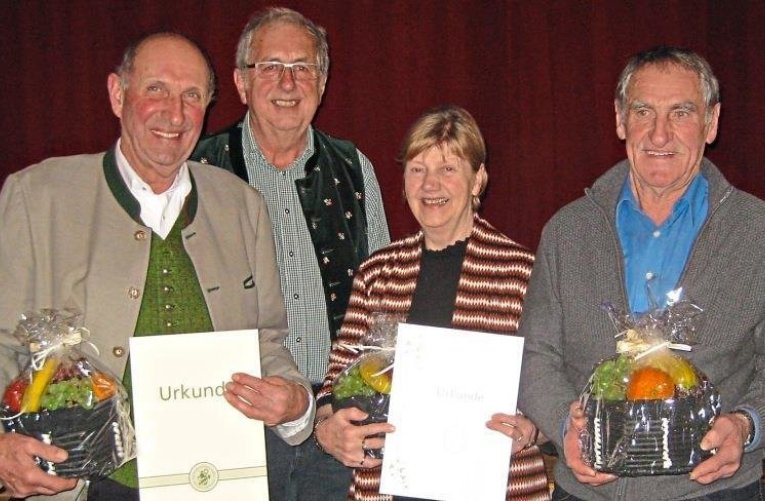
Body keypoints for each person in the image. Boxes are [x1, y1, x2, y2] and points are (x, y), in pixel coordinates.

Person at [0, 33, 313, 500]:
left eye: (192, 96)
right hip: (83, 484)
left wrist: (296, 402)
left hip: (218, 480)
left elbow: (265, 339)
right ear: (117, 94)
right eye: (156, 90)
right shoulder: (37, 198)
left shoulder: (242, 206)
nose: (175, 113)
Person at [518, 46, 765, 500]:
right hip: (590, 491)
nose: (659, 134)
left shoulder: (762, 232)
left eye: (681, 112)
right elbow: (535, 354)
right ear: (620, 119)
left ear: (711, 122)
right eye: (643, 111)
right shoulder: (568, 231)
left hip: (715, 490)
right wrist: (563, 425)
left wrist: (748, 424)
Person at [191, 7, 390, 499]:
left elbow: (385, 300)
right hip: (234, 415)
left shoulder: (353, 167)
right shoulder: (199, 170)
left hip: (339, 421)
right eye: (270, 66)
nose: (288, 82)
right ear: (241, 82)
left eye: (303, 67)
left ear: (321, 83)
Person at [312, 105, 551, 500]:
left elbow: (552, 385)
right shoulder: (377, 274)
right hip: (389, 486)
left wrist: (532, 429)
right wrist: (328, 429)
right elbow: (336, 382)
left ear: (478, 180)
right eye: (417, 169)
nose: (430, 184)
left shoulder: (522, 273)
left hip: (497, 486)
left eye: (448, 169)